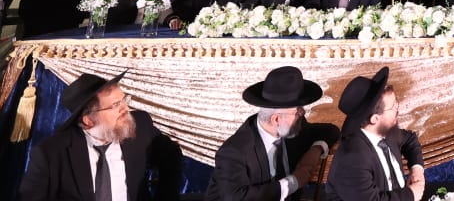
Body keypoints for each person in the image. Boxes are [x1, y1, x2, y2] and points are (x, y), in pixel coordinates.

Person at [19, 71, 183, 201]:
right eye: (115, 105)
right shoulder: (51, 154)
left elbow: (172, 155)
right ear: (89, 120)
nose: (125, 109)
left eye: (124, 100)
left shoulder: (140, 125)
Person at [204, 66, 339, 201]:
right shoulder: (234, 152)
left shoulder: (294, 127)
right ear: (276, 119)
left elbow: (330, 130)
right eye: (297, 110)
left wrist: (314, 151)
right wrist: (293, 182)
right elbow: (236, 197)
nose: (302, 112)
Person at [328, 67, 425, 201]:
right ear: (375, 119)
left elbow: (410, 140)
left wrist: (417, 171)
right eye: (393, 107)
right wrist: (411, 194)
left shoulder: (384, 132)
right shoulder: (352, 160)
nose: (398, 109)